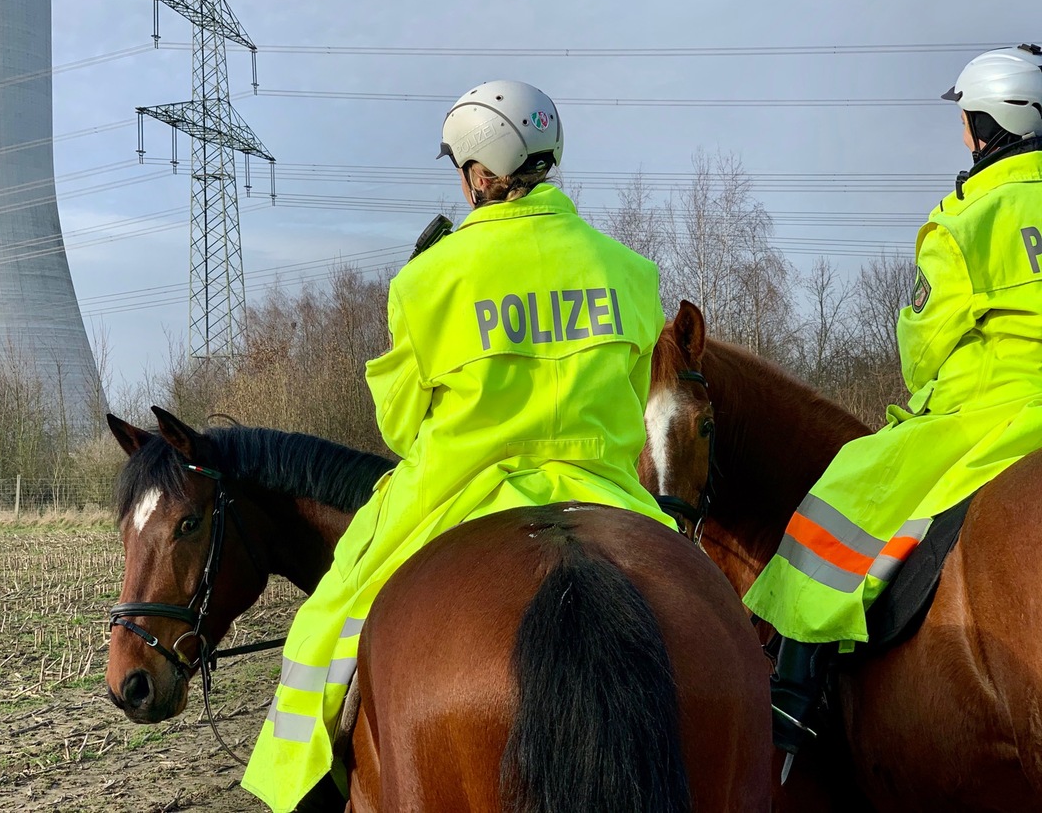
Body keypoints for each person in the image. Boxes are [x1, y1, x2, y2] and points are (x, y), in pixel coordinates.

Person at [240, 80, 676, 812]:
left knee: (326, 625)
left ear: (478, 174)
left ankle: (305, 790)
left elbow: (402, 425)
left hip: (461, 490)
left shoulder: (427, 280)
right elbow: (636, 401)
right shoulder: (630, 273)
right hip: (607, 491)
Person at [744, 44, 1042, 756]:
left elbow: (924, 352)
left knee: (846, 489)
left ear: (983, 124)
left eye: (966, 120)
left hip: (993, 410)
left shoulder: (963, 223)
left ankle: (793, 693)